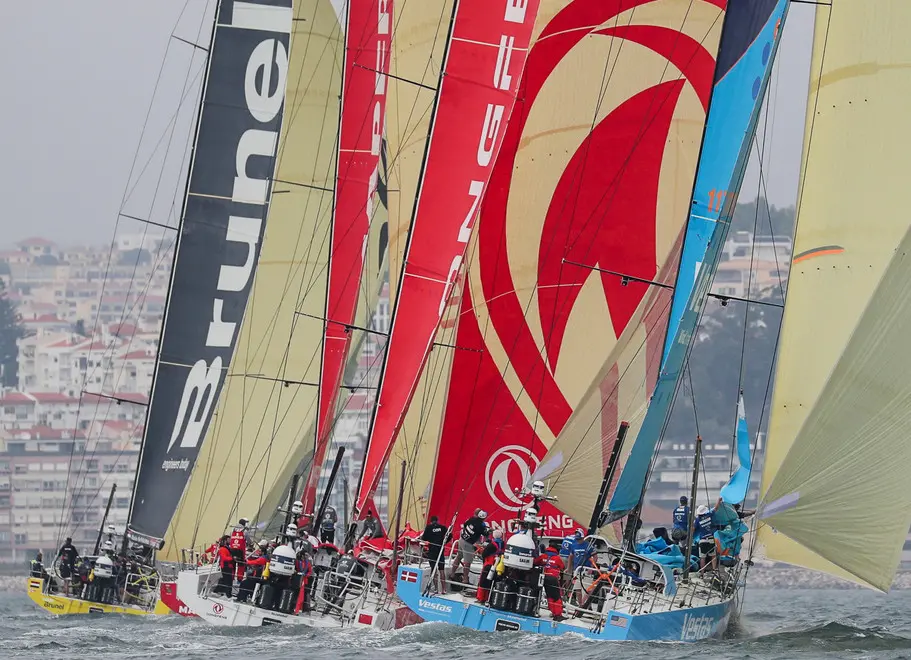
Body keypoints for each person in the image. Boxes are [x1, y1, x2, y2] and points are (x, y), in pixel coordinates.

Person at [449, 509, 488, 586]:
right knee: (467, 562)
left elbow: (465, 525)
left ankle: (452, 574)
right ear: (483, 518)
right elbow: (485, 534)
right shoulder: (481, 525)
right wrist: (489, 531)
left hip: (462, 539)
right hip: (468, 544)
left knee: (458, 557)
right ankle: (465, 579)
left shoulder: (471, 519)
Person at [534, 541, 566, 621]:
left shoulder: (543, 556)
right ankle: (557, 615)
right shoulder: (558, 558)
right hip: (552, 578)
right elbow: (562, 567)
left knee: (549, 596)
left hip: (543, 577)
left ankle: (553, 612)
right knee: (556, 597)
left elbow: (535, 562)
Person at [420, 515, 449, 593]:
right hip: (440, 550)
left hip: (432, 550)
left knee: (434, 570)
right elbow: (449, 535)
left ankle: (436, 589)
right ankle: (444, 589)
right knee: (441, 570)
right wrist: (443, 542)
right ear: (437, 520)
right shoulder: (442, 527)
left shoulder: (428, 528)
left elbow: (423, 538)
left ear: (431, 521)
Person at [475, 537, 500, 604]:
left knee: (482, 582)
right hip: (495, 564)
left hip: (488, 564)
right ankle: (486, 598)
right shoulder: (501, 544)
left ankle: (480, 598)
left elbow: (484, 555)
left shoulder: (491, 545)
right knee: (490, 582)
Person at [229, 518, 251, 582]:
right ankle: (239, 579)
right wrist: (250, 544)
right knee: (241, 565)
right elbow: (249, 541)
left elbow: (230, 538)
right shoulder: (245, 531)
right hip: (240, 550)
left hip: (232, 549)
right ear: (244, 524)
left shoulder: (232, 530)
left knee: (232, 564)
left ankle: (232, 578)